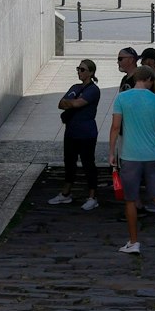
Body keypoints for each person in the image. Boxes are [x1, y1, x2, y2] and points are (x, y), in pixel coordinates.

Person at [108, 66, 155, 254]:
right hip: (151, 155)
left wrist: (111, 152)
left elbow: (115, 127)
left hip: (130, 155)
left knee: (130, 200)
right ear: (149, 79)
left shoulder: (122, 98)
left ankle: (134, 242)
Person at [48, 59, 102, 210]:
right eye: (78, 69)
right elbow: (61, 103)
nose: (79, 72)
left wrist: (71, 102)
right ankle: (66, 193)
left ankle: (92, 196)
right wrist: (72, 102)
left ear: (91, 72)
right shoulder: (75, 87)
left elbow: (77, 103)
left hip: (86, 133)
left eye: (83, 69)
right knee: (69, 162)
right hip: (71, 131)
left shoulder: (93, 90)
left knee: (88, 163)